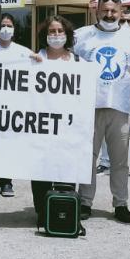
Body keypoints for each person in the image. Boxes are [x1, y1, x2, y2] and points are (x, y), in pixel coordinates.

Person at [73, 0, 130, 224]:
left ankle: (121, 203)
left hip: (119, 106)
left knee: (120, 160)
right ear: (97, 11)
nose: (109, 15)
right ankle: (85, 201)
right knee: (87, 158)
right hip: (89, 107)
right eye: (105, 10)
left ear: (121, 11)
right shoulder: (81, 36)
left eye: (114, 11)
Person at [29, 16, 83, 236]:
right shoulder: (35, 58)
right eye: (52, 31)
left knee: (67, 167)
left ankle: (65, 209)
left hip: (69, 126)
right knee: (41, 169)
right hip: (41, 124)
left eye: (60, 31)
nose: (56, 35)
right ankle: (43, 212)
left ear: (67, 34)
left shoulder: (78, 62)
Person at [94, 7, 130, 181]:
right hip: (113, 96)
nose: (126, 24)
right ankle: (105, 162)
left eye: (129, 21)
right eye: (123, 20)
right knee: (109, 133)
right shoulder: (109, 40)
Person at [0, 14, 35, 197]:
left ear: (14, 29)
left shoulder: (22, 51)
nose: (5, 28)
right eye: (2, 24)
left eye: (9, 25)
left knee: (10, 144)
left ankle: (6, 182)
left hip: (13, 106)